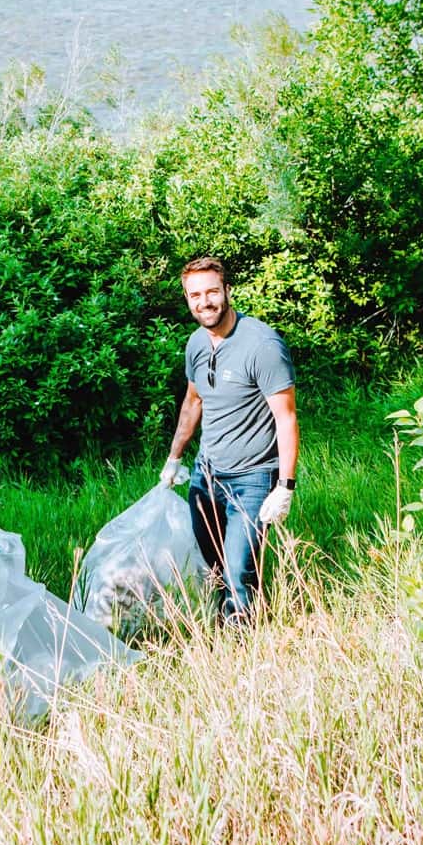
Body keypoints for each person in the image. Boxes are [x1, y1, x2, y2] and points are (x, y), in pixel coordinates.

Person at [158, 256, 299, 622]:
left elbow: (286, 417)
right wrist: (174, 459)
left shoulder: (262, 345)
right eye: (195, 295)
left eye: (211, 292)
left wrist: (285, 486)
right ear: (187, 299)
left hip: (252, 479)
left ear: (227, 291)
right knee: (215, 566)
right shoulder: (196, 344)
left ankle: (241, 649)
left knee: (239, 573)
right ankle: (226, 623)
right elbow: (193, 401)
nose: (204, 302)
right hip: (207, 474)